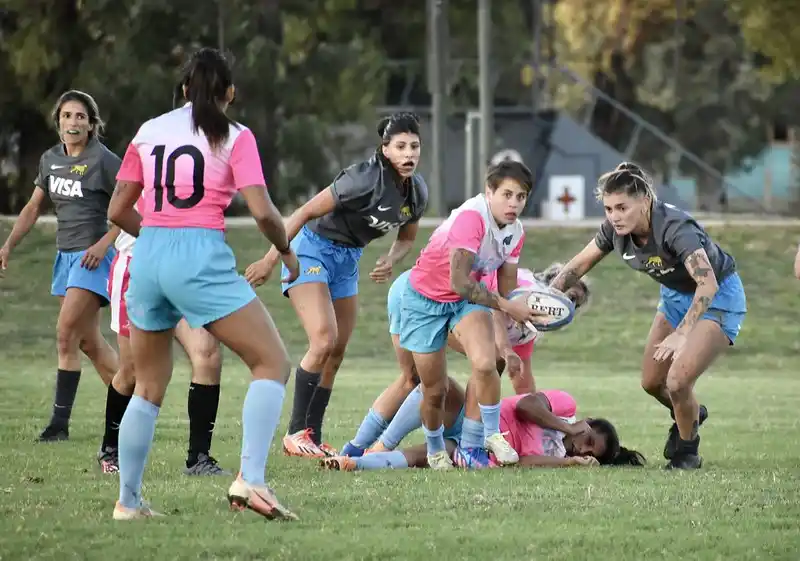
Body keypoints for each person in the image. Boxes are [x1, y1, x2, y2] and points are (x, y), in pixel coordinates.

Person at [107, 47, 299, 520]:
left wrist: (156, 236)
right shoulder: (237, 136)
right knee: (272, 362)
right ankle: (251, 480)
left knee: (148, 386)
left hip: (147, 253)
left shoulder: (148, 131)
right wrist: (287, 252)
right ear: (229, 93)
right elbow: (262, 212)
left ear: (185, 90)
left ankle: (128, 503)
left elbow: (115, 211)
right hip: (198, 254)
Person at [244, 113, 428, 458]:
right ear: (384, 149)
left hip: (348, 260)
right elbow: (302, 213)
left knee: (337, 350)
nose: (409, 154)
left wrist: (391, 259)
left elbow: (407, 238)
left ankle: (310, 435)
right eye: (400, 146)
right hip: (311, 250)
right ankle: (294, 432)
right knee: (323, 339)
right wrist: (272, 259)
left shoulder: (416, 191)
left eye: (414, 146)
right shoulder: (361, 180)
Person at [548, 162, 747, 470]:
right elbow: (576, 267)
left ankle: (686, 454)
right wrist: (545, 297)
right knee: (652, 382)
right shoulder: (614, 232)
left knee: (678, 382)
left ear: (645, 200)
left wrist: (682, 333)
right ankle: (691, 413)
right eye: (609, 208)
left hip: (717, 297)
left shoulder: (675, 228)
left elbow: (707, 283)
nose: (614, 216)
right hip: (674, 298)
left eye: (622, 207)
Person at [340, 263, 592, 458]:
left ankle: (356, 448)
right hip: (422, 296)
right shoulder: (524, 285)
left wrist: (549, 425)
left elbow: (523, 384)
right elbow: (493, 306)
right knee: (485, 365)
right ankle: (468, 447)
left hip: (420, 296)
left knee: (413, 378)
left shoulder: (528, 331)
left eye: (575, 304)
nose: (569, 306)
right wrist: (503, 348)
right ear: (552, 286)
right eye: (569, 296)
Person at [396, 160, 539, 470]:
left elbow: (507, 287)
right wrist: (507, 305)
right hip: (425, 301)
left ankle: (491, 435)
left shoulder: (516, 231)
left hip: (465, 301)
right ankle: (435, 449)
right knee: (435, 391)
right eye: (507, 194)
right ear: (489, 192)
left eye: (521, 196)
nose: (514, 203)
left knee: (488, 362)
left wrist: (527, 310)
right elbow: (459, 282)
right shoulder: (472, 218)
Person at [0, 90, 120, 442]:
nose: (73, 123)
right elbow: (33, 208)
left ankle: (58, 425)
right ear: (58, 123)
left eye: (80, 117)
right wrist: (8, 245)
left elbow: (131, 208)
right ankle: (134, 402)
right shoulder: (50, 160)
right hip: (64, 257)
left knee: (65, 332)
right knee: (87, 343)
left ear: (92, 123)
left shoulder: (105, 161)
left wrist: (102, 245)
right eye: (67, 116)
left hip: (92, 258)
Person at [97, 198, 228, 477]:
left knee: (207, 353)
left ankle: (198, 459)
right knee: (133, 372)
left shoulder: (205, 160)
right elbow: (117, 209)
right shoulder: (145, 154)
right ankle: (110, 449)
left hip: (182, 268)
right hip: (137, 267)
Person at [322, 384, 645, 471]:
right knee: (437, 387)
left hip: (474, 451)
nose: (581, 446)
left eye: (589, 452)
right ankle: (375, 445)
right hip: (474, 420)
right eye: (587, 437)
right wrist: (567, 427)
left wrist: (568, 461)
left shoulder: (561, 458)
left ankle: (354, 462)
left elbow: (521, 461)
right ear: (585, 422)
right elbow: (524, 405)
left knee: (418, 458)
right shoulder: (565, 406)